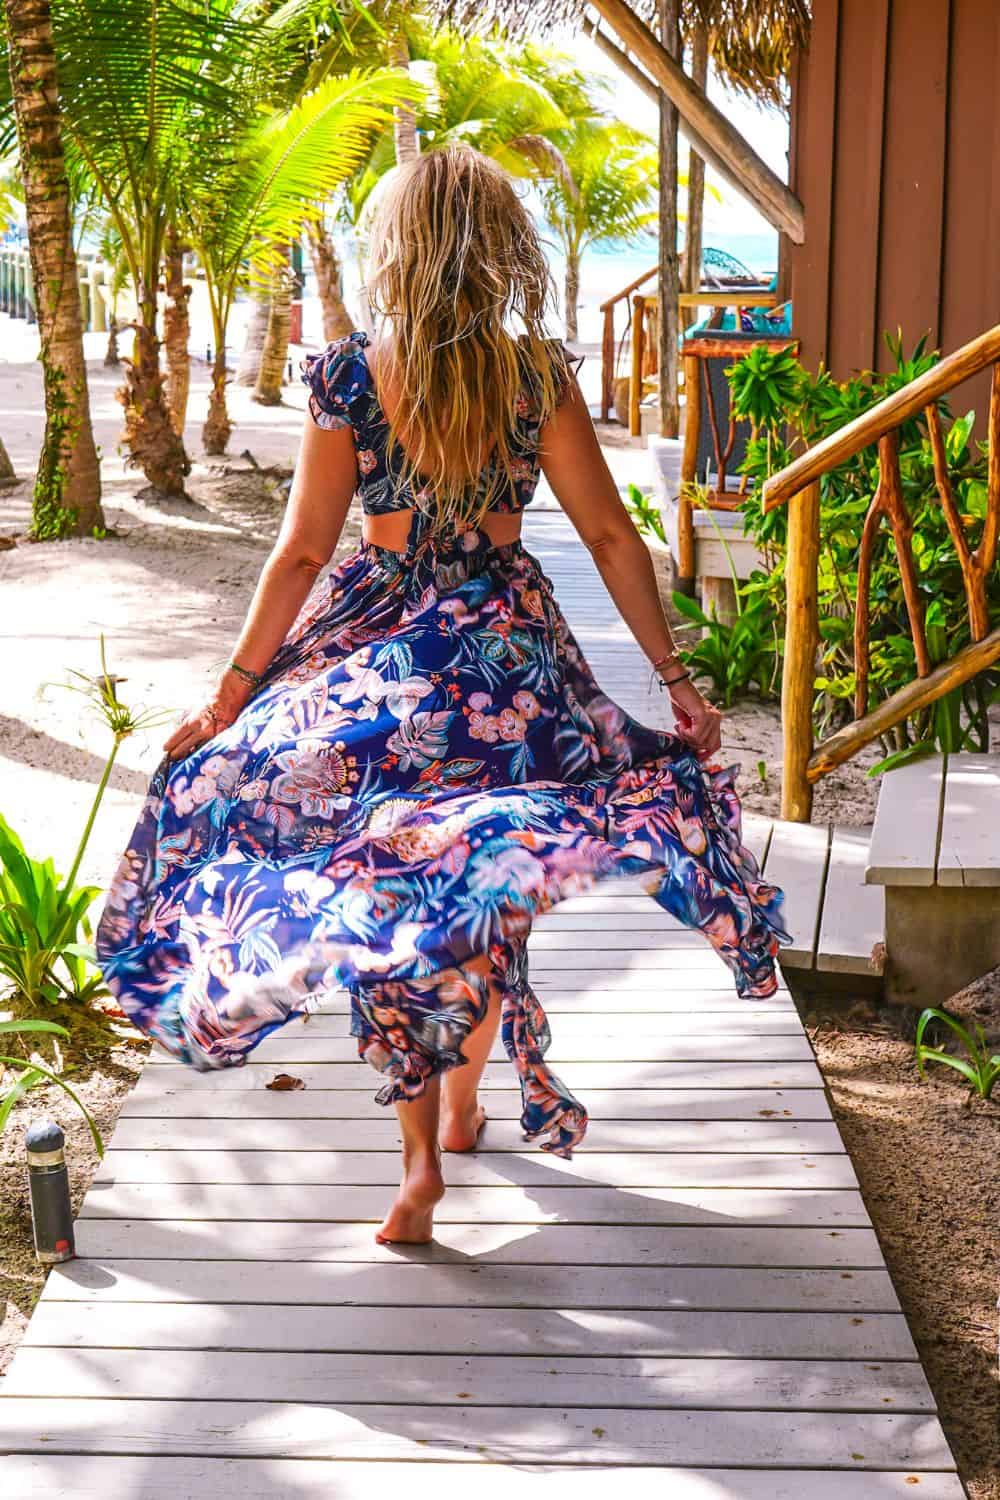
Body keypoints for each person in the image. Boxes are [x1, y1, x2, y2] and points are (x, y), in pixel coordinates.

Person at [96, 145, 789, 1246]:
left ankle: (419, 1161)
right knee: (482, 876)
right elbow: (611, 538)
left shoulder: (347, 374)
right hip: (507, 658)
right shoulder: (537, 375)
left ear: (398, 247)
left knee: (382, 890)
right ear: (499, 244)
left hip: (374, 652)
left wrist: (229, 700)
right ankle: (464, 1108)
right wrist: (670, 678)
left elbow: (300, 554)